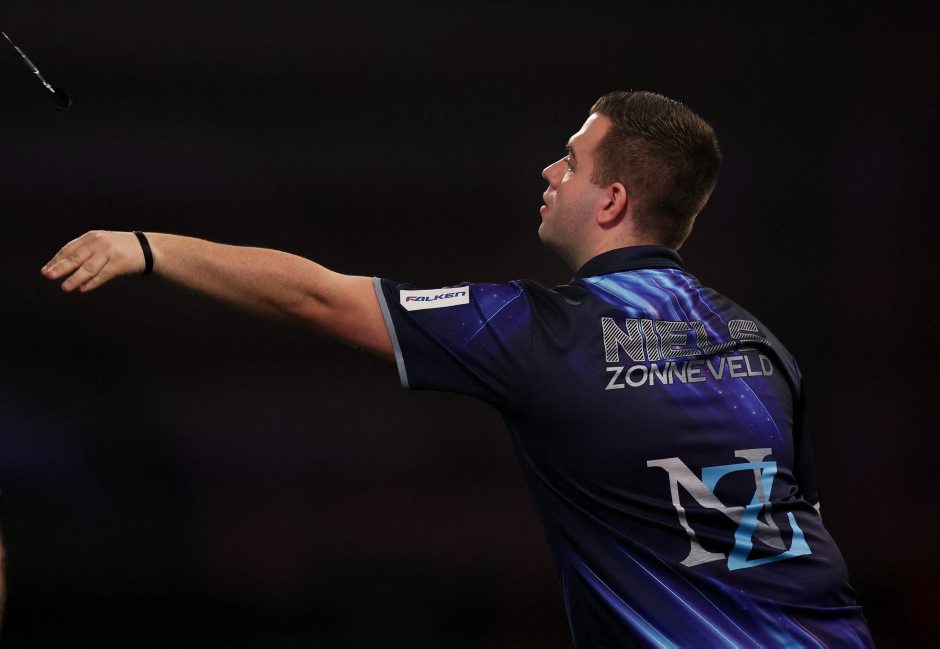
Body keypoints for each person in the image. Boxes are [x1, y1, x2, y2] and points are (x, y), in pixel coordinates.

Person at [41, 91, 873, 647]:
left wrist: (148, 247)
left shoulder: (539, 333)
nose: (550, 172)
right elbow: (804, 520)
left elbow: (319, 297)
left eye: (571, 159)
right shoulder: (762, 343)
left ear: (613, 201)